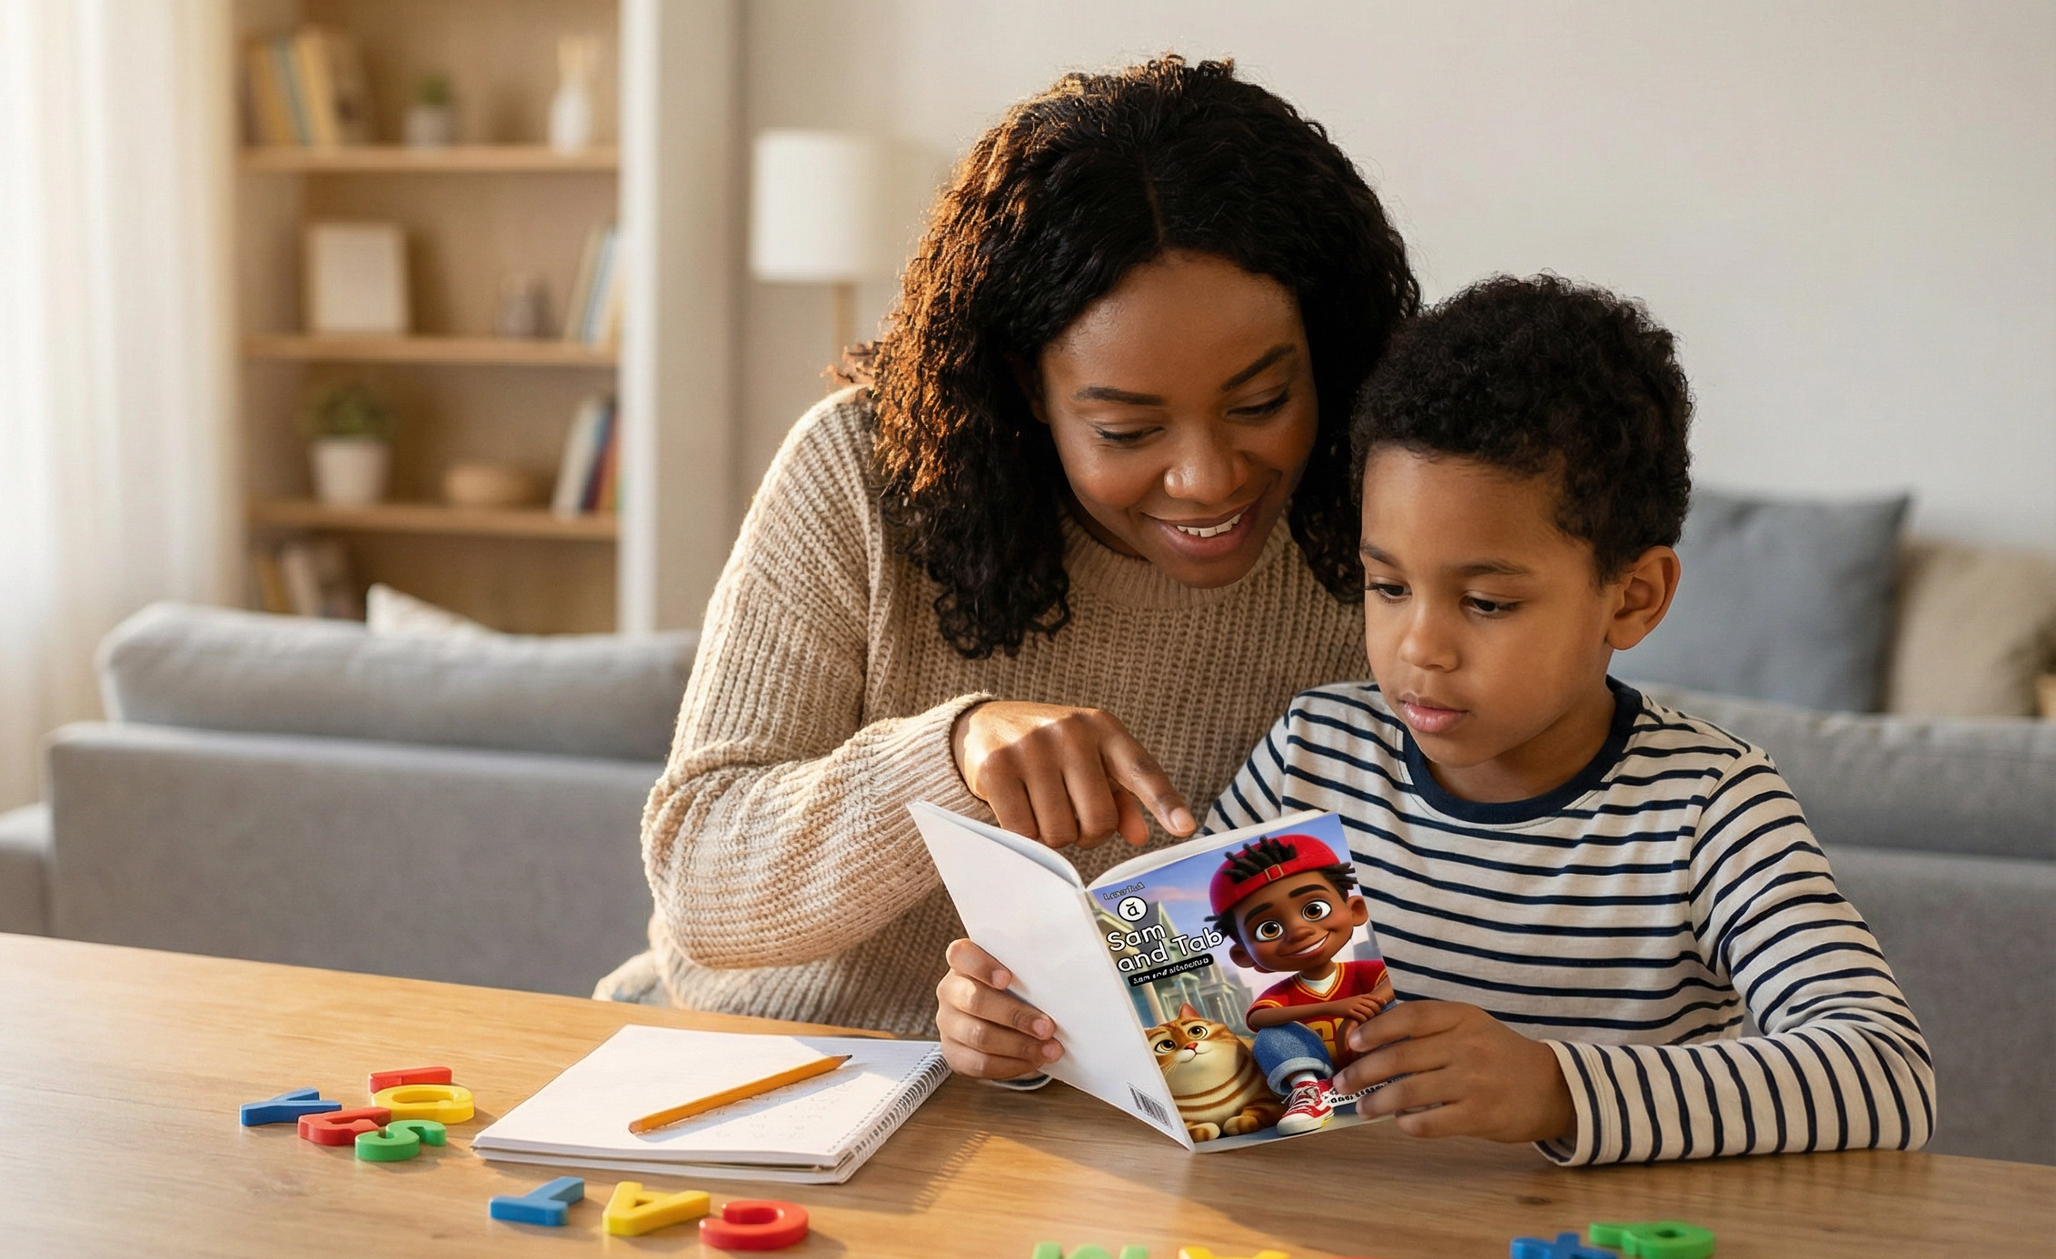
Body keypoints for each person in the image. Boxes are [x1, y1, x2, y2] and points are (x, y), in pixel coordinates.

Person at [613, 56, 1416, 1040]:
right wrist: (950, 756)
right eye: (1126, 430)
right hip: (764, 1057)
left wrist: (1068, 1026)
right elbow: (701, 880)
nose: (1207, 479)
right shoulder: (859, 475)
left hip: (1090, 1120)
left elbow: (1323, 952)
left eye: (1260, 404)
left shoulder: (1377, 543)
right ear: (1026, 387)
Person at [1213, 275, 1932, 1163]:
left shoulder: (1707, 807)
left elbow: (1886, 1073)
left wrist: (1556, 1087)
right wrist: (1019, 1031)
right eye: (1388, 586)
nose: (1419, 648)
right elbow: (1168, 1004)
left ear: (1632, 599)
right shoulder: (1311, 755)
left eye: (1484, 601)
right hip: (1348, 1256)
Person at [1204, 832, 1393, 1133]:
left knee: (1396, 1007)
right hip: (1322, 1074)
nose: (1298, 931)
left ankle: (1397, 1070)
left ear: (1355, 910)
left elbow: (1393, 982)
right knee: (1271, 1035)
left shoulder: (1361, 971)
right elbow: (1258, 1018)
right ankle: (1308, 1091)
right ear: (1244, 955)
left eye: (1313, 910)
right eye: (1269, 929)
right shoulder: (1285, 993)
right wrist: (1337, 1008)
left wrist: (1371, 1007)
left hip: (1375, 1060)